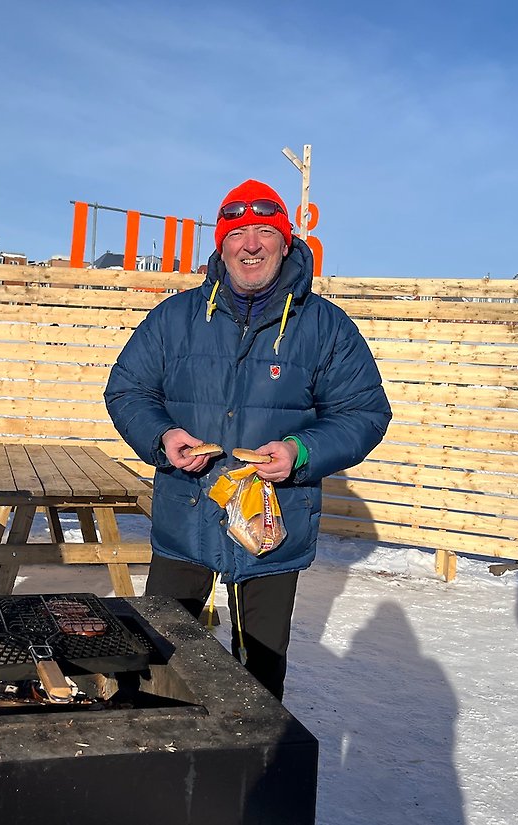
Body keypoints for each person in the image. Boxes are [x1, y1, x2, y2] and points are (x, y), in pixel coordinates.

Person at [104, 179, 391, 700]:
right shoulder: (177, 318)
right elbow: (127, 390)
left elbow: (365, 412)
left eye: (264, 231)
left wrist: (302, 453)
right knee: (157, 664)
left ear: (286, 242)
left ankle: (249, 773)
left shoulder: (325, 327)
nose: (251, 244)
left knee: (259, 680)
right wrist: (163, 435)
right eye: (238, 233)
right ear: (222, 244)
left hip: (270, 526)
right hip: (185, 516)